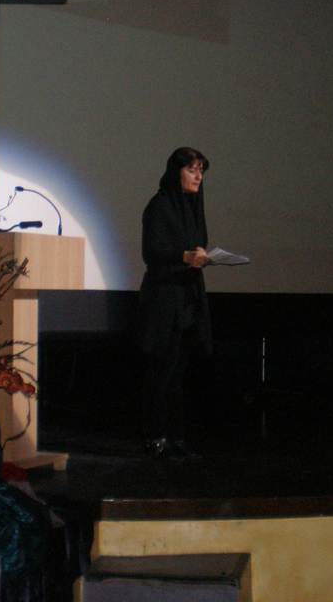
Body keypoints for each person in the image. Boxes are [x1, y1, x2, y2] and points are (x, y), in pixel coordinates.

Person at [138, 147, 213, 459]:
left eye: (201, 171)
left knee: (178, 374)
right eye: (191, 170)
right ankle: (155, 437)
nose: (198, 176)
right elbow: (152, 252)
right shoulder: (159, 206)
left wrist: (202, 255)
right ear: (176, 172)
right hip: (164, 300)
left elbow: (198, 243)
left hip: (188, 299)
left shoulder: (194, 207)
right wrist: (185, 256)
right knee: (161, 372)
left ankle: (177, 438)